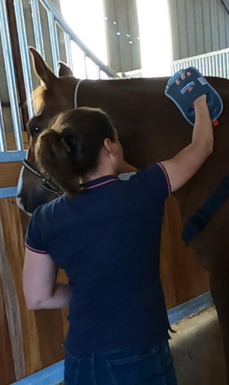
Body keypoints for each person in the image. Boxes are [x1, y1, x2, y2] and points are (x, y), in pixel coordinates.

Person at [22, 71, 214, 385]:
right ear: (109, 146)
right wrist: (200, 99)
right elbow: (202, 146)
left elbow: (38, 298)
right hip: (137, 354)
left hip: (82, 359)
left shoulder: (45, 218)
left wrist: (91, 290)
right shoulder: (143, 191)